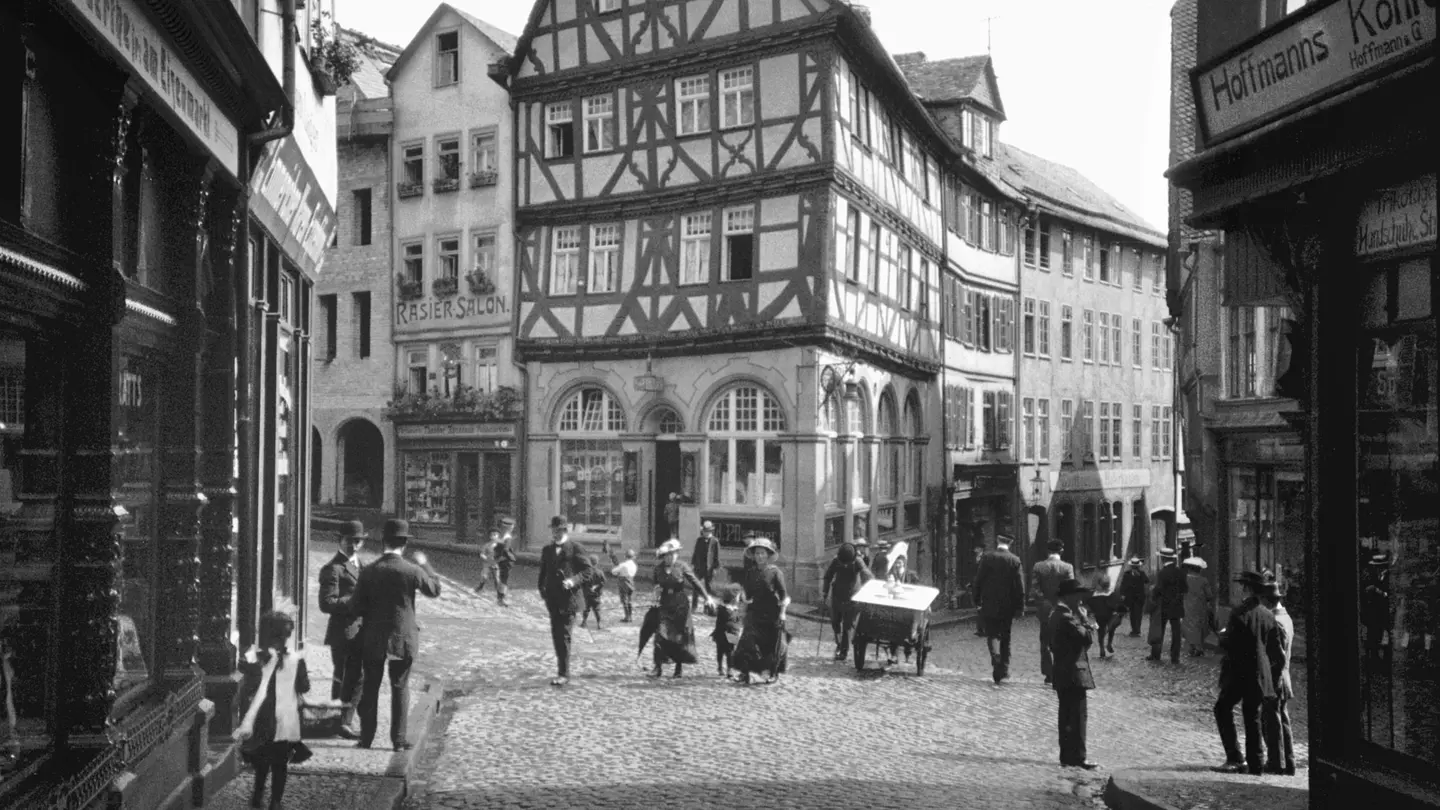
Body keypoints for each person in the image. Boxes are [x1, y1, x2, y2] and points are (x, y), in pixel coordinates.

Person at [347, 519, 441, 751]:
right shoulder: (412, 570)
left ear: (383, 542)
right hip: (403, 638)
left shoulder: (369, 571)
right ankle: (398, 740)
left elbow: (355, 607)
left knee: (371, 687)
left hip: (374, 638)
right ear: (404, 545)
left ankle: (366, 738)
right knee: (400, 687)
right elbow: (434, 590)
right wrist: (426, 564)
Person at [234, 611, 312, 809]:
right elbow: (304, 687)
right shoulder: (295, 660)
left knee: (261, 760)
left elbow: (248, 687)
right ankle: (275, 801)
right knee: (280, 763)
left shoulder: (256, 659)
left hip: (263, 717)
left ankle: (257, 797)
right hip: (285, 718)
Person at [1213, 570, 1284, 775]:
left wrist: (1222, 637)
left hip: (1238, 673)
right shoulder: (1268, 615)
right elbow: (1275, 650)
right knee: (1252, 716)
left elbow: (1230, 644)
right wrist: (1272, 676)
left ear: (1247, 589)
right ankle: (1256, 763)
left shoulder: (1239, 612)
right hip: (1259, 675)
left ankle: (1235, 757)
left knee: (1222, 708)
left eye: (1243, 586)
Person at [317, 520, 366, 738]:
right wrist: (356, 601)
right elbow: (326, 603)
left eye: (357, 541)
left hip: (361, 632)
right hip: (343, 633)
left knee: (356, 677)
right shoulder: (333, 569)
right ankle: (342, 722)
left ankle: (342, 719)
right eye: (349, 541)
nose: (354, 546)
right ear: (340, 540)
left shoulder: (362, 566)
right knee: (347, 677)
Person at [538, 516, 596, 686]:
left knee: (564, 635)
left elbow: (588, 571)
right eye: (553, 530)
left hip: (569, 600)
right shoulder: (547, 550)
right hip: (552, 599)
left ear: (565, 531)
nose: (555, 533)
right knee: (556, 635)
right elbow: (543, 572)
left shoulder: (576, 548)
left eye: (558, 530)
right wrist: (542, 590)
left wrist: (573, 581)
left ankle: (563, 673)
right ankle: (561, 670)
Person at [1049, 579, 1098, 769]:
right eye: (1077, 596)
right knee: (1077, 716)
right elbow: (1085, 638)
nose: (1080, 601)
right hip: (1073, 672)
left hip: (1063, 671)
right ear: (1068, 597)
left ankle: (1067, 756)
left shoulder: (1057, 614)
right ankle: (1078, 757)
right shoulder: (1066, 617)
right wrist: (1085, 621)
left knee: (1067, 716)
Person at [650, 539, 713, 678]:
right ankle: (657, 667)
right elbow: (655, 586)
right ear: (663, 556)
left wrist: (707, 597)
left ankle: (678, 668)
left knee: (679, 637)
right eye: (667, 555)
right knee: (660, 635)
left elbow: (695, 582)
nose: (671, 557)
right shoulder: (658, 569)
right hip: (665, 604)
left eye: (673, 554)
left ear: (677, 554)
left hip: (680, 605)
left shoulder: (682, 566)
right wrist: (655, 597)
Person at [732, 536, 790, 685]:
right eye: (757, 553)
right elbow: (748, 594)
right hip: (754, 613)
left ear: (768, 555)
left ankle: (773, 672)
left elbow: (784, 596)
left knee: (771, 646)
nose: (759, 556)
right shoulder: (751, 572)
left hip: (772, 614)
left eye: (762, 553)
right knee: (747, 642)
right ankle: (745, 672)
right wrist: (741, 604)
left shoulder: (776, 572)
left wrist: (783, 613)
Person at [973, 534, 1025, 683]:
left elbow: (978, 580)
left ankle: (996, 658)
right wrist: (1020, 606)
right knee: (1005, 637)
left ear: (997, 542)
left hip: (989, 603)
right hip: (1007, 606)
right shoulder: (1014, 560)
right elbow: (1020, 586)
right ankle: (1004, 669)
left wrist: (977, 600)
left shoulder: (988, 558)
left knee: (992, 634)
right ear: (1011, 543)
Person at [1258, 580, 1295, 776]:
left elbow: (1278, 656)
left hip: (1275, 677)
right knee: (1282, 720)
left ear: (1267, 600)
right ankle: (1288, 762)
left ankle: (1276, 762)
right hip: (1283, 676)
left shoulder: (1275, 621)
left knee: (1272, 721)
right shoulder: (1286, 617)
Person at [1032, 539, 1075, 684]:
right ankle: (1060, 670)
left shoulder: (1039, 567)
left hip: (1045, 609)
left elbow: (1035, 589)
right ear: (1061, 551)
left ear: (1047, 551)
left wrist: (1043, 602)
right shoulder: (1067, 567)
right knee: (1062, 640)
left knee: (1045, 641)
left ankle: (1048, 673)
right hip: (1062, 610)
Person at [821, 542, 873, 660]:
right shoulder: (836, 561)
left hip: (852, 598)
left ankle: (844, 651)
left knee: (847, 626)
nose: (844, 565)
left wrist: (871, 587)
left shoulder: (858, 561)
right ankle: (838, 643)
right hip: (837, 596)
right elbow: (828, 576)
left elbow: (867, 574)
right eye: (842, 562)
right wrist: (825, 591)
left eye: (847, 563)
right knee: (835, 622)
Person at [1150, 547, 1188, 664]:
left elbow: (1159, 588)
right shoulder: (1180, 572)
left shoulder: (1162, 573)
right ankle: (1175, 657)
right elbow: (1185, 589)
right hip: (1176, 605)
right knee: (1176, 632)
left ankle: (1156, 654)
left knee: (1159, 629)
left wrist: (1154, 595)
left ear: (1162, 558)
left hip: (1164, 606)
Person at [884, 554, 924, 666]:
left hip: (908, 607)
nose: (897, 565)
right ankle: (894, 655)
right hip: (895, 606)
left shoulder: (911, 575)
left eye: (900, 563)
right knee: (893, 629)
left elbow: (918, 589)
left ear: (904, 564)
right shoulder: (891, 575)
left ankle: (907, 652)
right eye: (896, 563)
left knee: (909, 629)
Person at [1182, 557, 1215, 657]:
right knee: (1199, 626)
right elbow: (1209, 595)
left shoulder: (1185, 579)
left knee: (1189, 625)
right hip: (1200, 606)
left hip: (1187, 605)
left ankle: (1192, 647)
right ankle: (1198, 647)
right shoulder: (1203, 580)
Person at [712, 586, 743, 679]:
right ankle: (720, 667)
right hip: (722, 634)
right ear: (732, 598)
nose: (738, 598)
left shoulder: (736, 609)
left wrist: (739, 630)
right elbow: (721, 618)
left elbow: (738, 621)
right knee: (720, 651)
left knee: (731, 652)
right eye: (737, 596)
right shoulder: (722, 608)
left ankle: (730, 669)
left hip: (733, 633)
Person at [691, 520, 722, 612]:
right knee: (696, 587)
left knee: (709, 589)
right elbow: (695, 553)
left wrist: (716, 568)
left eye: (708, 531)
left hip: (709, 568)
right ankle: (694, 606)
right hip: (699, 567)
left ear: (711, 532)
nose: (706, 533)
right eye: (704, 531)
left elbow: (717, 556)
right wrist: (693, 564)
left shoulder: (715, 541)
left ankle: (708, 607)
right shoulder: (699, 540)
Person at [1085, 573, 1118, 659]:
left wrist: (1092, 612)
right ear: (1108, 584)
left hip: (1098, 616)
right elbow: (1114, 606)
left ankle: (1101, 648)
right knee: (1111, 629)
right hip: (1109, 616)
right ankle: (1109, 643)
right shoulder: (1111, 594)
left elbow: (1089, 604)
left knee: (1100, 632)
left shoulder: (1094, 595)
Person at [488, 518, 519, 606]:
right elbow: (505, 550)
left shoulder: (498, 536)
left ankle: (500, 598)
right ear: (508, 528)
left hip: (496, 559)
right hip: (504, 561)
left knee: (498, 578)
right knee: (503, 580)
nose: (512, 528)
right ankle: (501, 599)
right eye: (512, 527)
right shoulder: (507, 538)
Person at [1117, 557, 1150, 637]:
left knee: (1138, 614)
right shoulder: (1127, 574)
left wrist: (1140, 576)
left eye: (1136, 567)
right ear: (1131, 566)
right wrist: (1122, 594)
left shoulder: (1141, 573)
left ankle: (1137, 630)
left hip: (1139, 598)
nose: (1135, 568)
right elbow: (1123, 584)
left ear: (1138, 567)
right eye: (1133, 567)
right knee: (1132, 614)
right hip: (1130, 597)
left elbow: (1147, 580)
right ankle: (1134, 630)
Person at [609, 548, 638, 623]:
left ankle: (627, 617)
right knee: (629, 600)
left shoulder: (623, 565)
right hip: (631, 581)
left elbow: (613, 572)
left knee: (624, 600)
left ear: (625, 556)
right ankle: (630, 616)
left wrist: (616, 569)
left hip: (623, 582)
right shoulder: (634, 565)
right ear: (633, 557)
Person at [580, 555, 607, 629]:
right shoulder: (600, 572)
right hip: (596, 595)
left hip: (587, 595)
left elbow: (581, 583)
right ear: (597, 563)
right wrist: (596, 587)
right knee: (597, 610)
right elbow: (603, 582)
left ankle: (584, 622)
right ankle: (599, 624)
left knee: (586, 609)